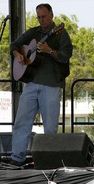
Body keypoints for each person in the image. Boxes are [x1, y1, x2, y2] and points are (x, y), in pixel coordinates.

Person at [10, 3, 73, 166]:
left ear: (51, 15)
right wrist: (18, 55)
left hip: (51, 84)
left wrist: (49, 50)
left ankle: (48, 161)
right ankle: (17, 158)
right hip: (31, 83)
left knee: (50, 126)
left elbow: (65, 56)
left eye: (43, 16)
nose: (41, 20)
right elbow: (14, 45)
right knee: (21, 121)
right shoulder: (34, 32)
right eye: (38, 17)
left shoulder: (61, 33)